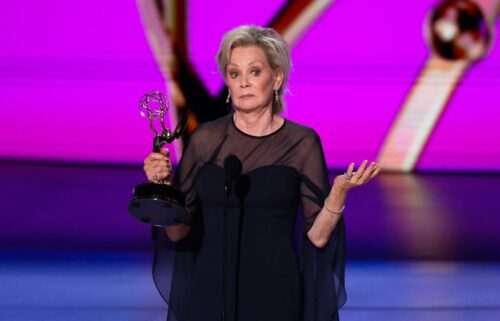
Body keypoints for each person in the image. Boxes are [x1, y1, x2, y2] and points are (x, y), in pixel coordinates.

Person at [143, 25, 381, 321]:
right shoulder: (204, 141)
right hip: (210, 295)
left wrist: (338, 192)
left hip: (276, 296)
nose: (244, 83)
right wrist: (163, 186)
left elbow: (318, 239)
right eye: (234, 73)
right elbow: (178, 233)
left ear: (277, 77)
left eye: (254, 72)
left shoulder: (301, 142)